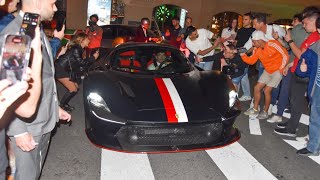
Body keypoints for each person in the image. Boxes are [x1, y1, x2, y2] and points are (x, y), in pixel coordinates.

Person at [0, 0, 71, 179]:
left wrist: (54, 107)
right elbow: (9, 89)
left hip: (42, 121)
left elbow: (44, 77)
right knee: (27, 176)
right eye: (53, 3)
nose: (55, 8)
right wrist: (18, 131)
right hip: (29, 128)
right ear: (39, 2)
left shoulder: (33, 28)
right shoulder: (16, 35)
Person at [274, 7, 320, 137]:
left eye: (305, 23)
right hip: (298, 71)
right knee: (294, 100)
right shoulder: (312, 36)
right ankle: (291, 124)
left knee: (298, 102)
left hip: (305, 76)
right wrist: (290, 64)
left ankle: (292, 128)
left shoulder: (315, 37)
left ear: (314, 21)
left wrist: (289, 40)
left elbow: (302, 56)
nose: (303, 26)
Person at [267, 13, 309, 124]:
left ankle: (279, 114)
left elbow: (289, 46)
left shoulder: (297, 29)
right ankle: (291, 120)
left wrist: (285, 40)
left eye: (293, 21)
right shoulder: (311, 33)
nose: (292, 23)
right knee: (295, 93)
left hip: (294, 64)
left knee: (285, 89)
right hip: (301, 65)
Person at [240, 30, 289, 120]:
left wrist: (281, 69)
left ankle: (265, 112)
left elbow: (285, 55)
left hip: (278, 70)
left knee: (267, 90)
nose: (253, 44)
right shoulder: (257, 49)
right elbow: (252, 61)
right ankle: (255, 109)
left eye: (254, 42)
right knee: (256, 88)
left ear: (260, 40)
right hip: (268, 70)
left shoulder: (272, 44)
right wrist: (243, 55)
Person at [295, 16, 320, 156]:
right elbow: (303, 67)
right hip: (318, 89)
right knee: (316, 118)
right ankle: (313, 147)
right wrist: (302, 69)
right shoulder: (315, 47)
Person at [55, 33, 99, 112]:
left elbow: (78, 64)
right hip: (61, 69)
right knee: (73, 89)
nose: (89, 40)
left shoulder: (80, 49)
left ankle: (63, 104)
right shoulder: (76, 49)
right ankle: (61, 106)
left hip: (66, 69)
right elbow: (81, 62)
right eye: (87, 39)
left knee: (76, 88)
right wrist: (93, 58)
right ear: (82, 40)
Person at [235, 13, 255, 102]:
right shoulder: (240, 30)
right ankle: (247, 94)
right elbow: (236, 42)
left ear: (250, 21)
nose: (243, 21)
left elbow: (254, 45)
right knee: (243, 75)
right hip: (238, 54)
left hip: (246, 56)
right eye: (243, 19)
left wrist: (245, 53)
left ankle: (238, 94)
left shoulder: (253, 31)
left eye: (246, 19)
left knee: (240, 74)